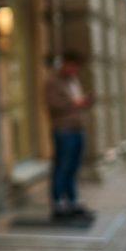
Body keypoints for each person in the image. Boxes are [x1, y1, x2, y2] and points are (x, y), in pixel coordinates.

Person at [43, 50, 95, 220]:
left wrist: (83, 102)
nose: (75, 70)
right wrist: (74, 103)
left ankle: (72, 202)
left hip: (76, 128)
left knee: (73, 167)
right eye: (73, 66)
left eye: (77, 67)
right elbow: (54, 105)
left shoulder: (73, 80)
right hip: (63, 129)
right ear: (65, 63)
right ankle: (58, 203)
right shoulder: (52, 81)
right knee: (62, 166)